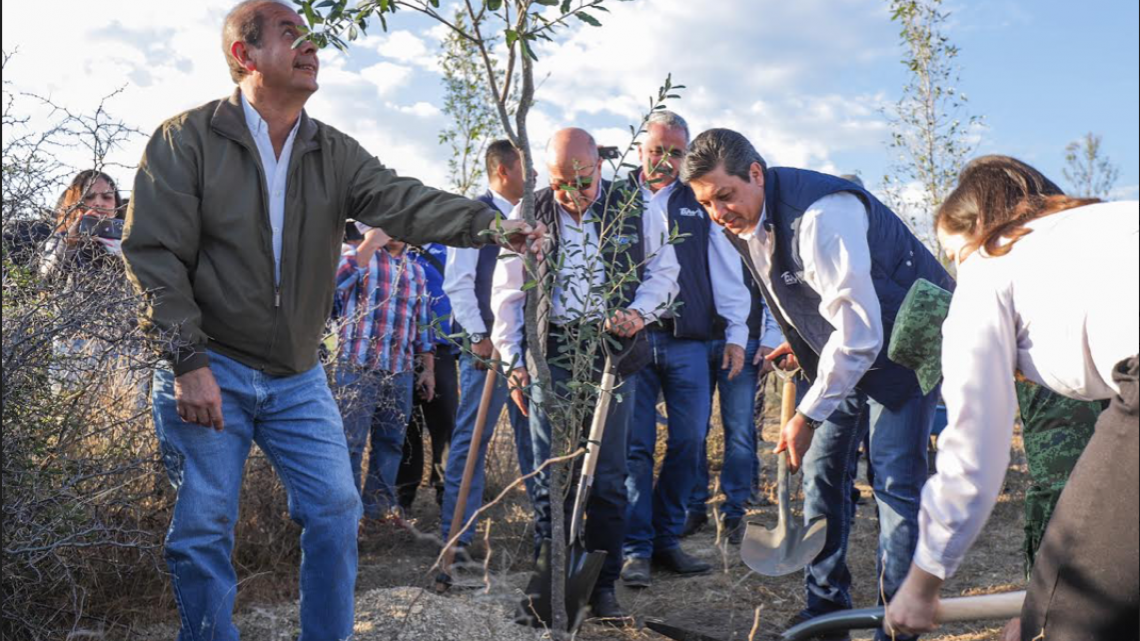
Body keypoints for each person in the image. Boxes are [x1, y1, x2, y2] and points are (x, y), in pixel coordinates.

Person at [120, 2, 543, 637]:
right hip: (212, 366)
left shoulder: (333, 151)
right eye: (290, 35)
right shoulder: (186, 140)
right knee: (203, 528)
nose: (310, 47)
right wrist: (189, 362)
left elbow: (402, 199)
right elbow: (155, 257)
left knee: (337, 510)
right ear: (244, 54)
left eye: (312, 38)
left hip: (297, 376)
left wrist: (490, 226)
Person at [681, 128, 953, 641]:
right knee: (822, 473)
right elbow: (807, 299)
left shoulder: (822, 217)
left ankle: (897, 622)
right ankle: (826, 608)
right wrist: (803, 342)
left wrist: (806, 414)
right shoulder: (746, 223)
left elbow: (860, 330)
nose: (718, 212)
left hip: (908, 341)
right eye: (706, 202)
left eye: (725, 195)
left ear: (756, 174)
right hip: (848, 350)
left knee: (894, 480)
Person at [885, 156, 1138, 641]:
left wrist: (920, 585)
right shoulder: (1106, 223)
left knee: (1075, 613)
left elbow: (972, 455)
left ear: (976, 229)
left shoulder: (989, 261)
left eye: (952, 255)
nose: (958, 270)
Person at [492, 128, 679, 620]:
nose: (572, 197)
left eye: (583, 183)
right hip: (551, 348)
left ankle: (603, 587)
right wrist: (514, 362)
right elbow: (508, 296)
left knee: (610, 476)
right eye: (560, 185)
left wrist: (637, 313)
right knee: (553, 476)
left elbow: (664, 272)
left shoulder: (635, 205)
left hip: (610, 347)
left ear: (600, 165)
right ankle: (553, 587)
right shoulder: (526, 213)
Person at [619, 111, 751, 591]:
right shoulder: (614, 199)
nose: (665, 160)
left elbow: (724, 268)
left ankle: (665, 538)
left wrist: (737, 331)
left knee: (690, 442)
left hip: (688, 340)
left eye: (676, 151)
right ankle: (634, 548)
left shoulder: (697, 200)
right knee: (634, 447)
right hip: (629, 344)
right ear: (640, 149)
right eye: (657, 149)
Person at [440, 140, 537, 551]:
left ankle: (546, 536)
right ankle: (457, 538)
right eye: (526, 169)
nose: (534, 178)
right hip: (486, 348)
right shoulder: (474, 216)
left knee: (534, 436)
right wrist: (478, 336)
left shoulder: (532, 214)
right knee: (472, 438)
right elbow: (458, 282)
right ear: (503, 171)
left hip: (527, 347)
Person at [333, 224, 434, 521]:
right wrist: (370, 244)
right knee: (350, 443)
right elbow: (332, 289)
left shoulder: (415, 270)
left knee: (390, 443)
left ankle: (376, 514)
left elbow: (423, 324)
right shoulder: (355, 255)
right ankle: (347, 517)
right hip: (356, 366)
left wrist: (427, 369)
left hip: (399, 370)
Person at [686, 264, 782, 543]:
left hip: (747, 341)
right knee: (694, 430)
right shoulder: (693, 228)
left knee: (739, 430)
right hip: (696, 341)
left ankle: (734, 512)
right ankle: (694, 506)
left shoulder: (748, 232)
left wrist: (771, 338)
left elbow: (769, 286)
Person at [396, 239, 458, 511]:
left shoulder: (446, 249)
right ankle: (402, 496)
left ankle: (446, 492)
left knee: (445, 421)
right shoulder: (389, 249)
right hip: (396, 350)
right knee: (404, 425)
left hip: (441, 348)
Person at [41, 170, 125, 280]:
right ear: (75, 202)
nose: (98, 203)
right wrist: (69, 243)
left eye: (107, 197)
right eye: (89, 197)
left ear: (116, 204)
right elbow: (45, 280)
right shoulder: (60, 239)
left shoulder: (130, 238)